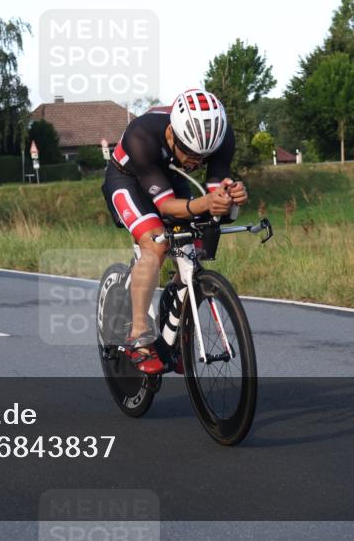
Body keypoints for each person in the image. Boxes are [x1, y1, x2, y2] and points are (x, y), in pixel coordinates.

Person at [101, 88, 248, 374]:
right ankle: (139, 335)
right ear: (173, 134)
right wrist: (204, 202)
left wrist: (232, 197)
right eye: (190, 154)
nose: (196, 163)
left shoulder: (221, 137)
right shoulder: (141, 135)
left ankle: (172, 330)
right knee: (156, 244)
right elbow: (166, 206)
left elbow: (215, 194)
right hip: (128, 178)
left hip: (169, 175)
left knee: (191, 251)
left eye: (202, 158)